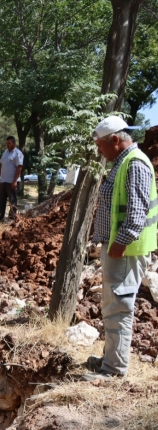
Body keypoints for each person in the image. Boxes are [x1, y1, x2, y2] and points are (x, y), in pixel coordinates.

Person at [84, 116, 158, 382]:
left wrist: (120, 242)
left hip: (126, 250)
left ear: (115, 140)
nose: (99, 152)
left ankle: (114, 370)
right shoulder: (122, 162)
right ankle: (110, 359)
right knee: (112, 305)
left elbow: (136, 214)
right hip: (119, 248)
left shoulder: (135, 164)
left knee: (119, 307)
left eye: (100, 146)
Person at [0, 136, 23, 222]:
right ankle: (0, 218)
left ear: (14, 143)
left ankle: (11, 219)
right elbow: (1, 165)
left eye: (9, 143)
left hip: (11, 182)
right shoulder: (5, 152)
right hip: (3, 181)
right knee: (1, 201)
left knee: (12, 201)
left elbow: (19, 168)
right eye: (7, 143)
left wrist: (15, 181)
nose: (7, 145)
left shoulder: (18, 153)